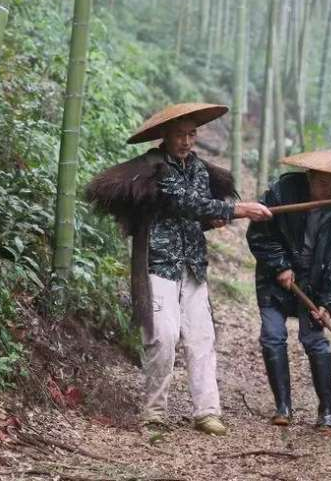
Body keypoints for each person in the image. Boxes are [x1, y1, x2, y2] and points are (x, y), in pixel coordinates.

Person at [85, 102, 272, 436]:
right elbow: (183, 202)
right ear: (165, 137)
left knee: (202, 338)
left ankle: (207, 412)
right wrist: (238, 209)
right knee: (163, 336)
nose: (186, 141)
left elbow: (196, 216)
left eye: (191, 134)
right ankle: (153, 413)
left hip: (193, 265)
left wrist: (213, 220)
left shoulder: (199, 169)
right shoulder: (156, 169)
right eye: (179, 135)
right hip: (158, 263)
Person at [246, 149, 331, 430]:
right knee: (272, 336)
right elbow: (258, 233)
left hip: (313, 284)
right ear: (311, 176)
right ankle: (283, 406)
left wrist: (328, 302)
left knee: (315, 340)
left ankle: (327, 410)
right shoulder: (282, 192)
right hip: (274, 279)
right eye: (326, 183)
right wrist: (280, 265)